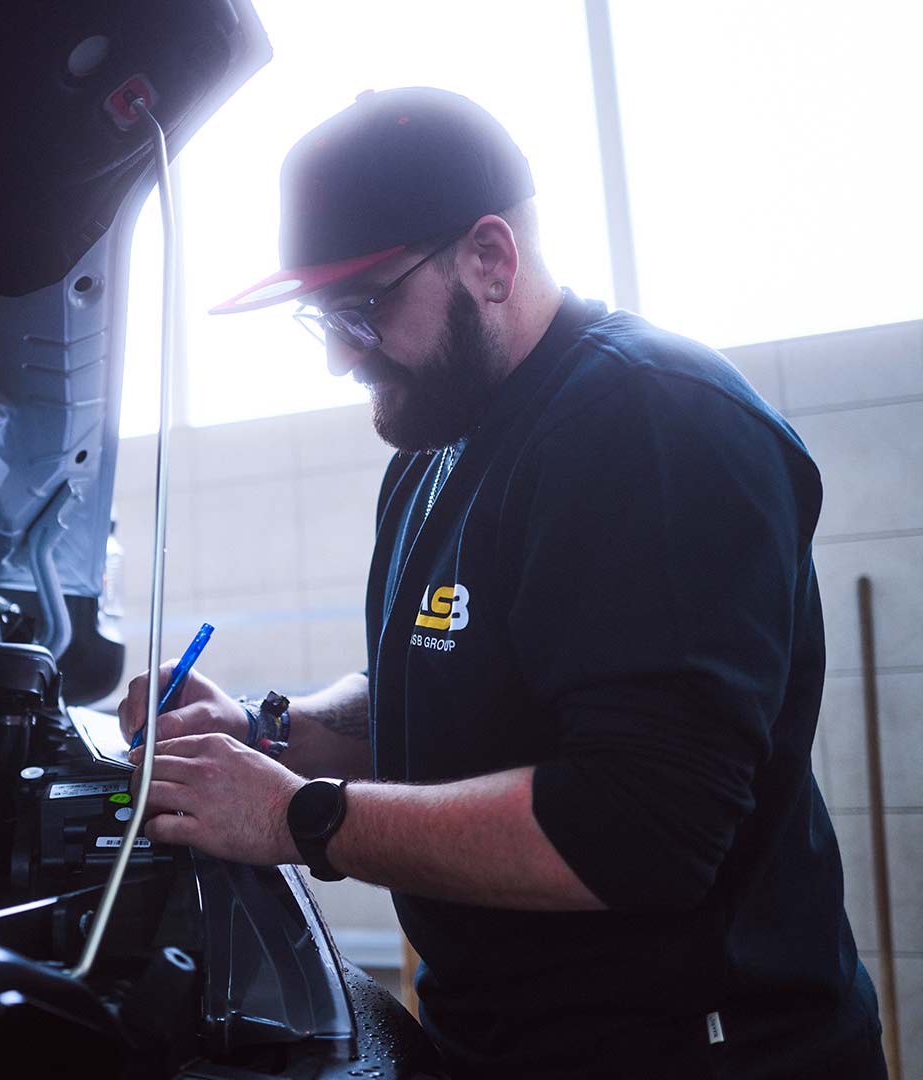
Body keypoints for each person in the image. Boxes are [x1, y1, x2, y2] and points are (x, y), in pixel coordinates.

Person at [116, 87, 885, 1079]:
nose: (341, 359)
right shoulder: (439, 443)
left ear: (490, 258)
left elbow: (637, 828)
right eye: (320, 319)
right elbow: (438, 693)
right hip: (497, 1043)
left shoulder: (653, 424)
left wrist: (298, 815)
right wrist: (270, 730)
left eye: (362, 308)